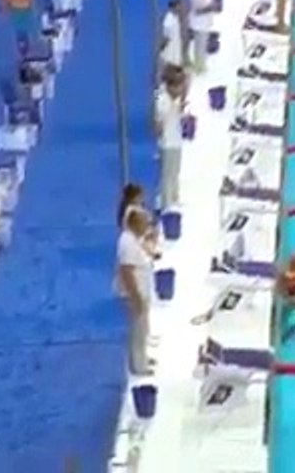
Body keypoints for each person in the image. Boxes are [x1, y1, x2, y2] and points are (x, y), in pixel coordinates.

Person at [116, 207, 155, 375]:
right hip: (135, 294)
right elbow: (127, 272)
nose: (147, 226)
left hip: (141, 292)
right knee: (137, 332)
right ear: (136, 224)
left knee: (142, 328)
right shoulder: (127, 243)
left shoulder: (134, 239)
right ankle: (139, 366)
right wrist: (135, 297)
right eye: (145, 223)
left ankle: (142, 358)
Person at [154, 67, 186, 209]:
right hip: (167, 143)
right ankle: (167, 204)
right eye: (179, 87)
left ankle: (174, 198)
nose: (181, 90)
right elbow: (158, 125)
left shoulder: (173, 99)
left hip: (176, 140)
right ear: (170, 86)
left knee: (175, 172)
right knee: (168, 175)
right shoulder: (162, 100)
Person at [188, 0, 213, 71]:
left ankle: (200, 64)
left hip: (203, 22)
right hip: (199, 23)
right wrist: (211, 7)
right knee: (200, 46)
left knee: (201, 45)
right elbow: (198, 9)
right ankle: (199, 67)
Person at [159, 0, 185, 74]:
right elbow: (166, 35)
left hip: (176, 43)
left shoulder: (175, 17)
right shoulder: (168, 20)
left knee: (176, 60)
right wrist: (163, 46)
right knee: (169, 61)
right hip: (170, 45)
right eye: (177, 7)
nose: (179, 8)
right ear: (172, 7)